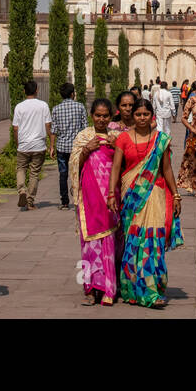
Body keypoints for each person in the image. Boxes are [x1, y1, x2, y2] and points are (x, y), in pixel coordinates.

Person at [107, 99, 183, 308]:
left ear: (152, 116)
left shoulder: (161, 139)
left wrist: (176, 195)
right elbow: (116, 168)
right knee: (133, 243)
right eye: (138, 114)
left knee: (152, 242)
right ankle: (133, 290)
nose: (141, 118)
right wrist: (111, 195)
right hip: (131, 196)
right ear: (133, 116)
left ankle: (150, 290)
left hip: (154, 194)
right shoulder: (123, 138)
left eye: (145, 114)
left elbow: (166, 169)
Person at [68, 98, 120, 305]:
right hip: (88, 199)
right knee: (88, 245)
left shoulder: (116, 137)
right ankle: (89, 289)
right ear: (92, 116)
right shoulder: (84, 136)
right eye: (97, 115)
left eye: (105, 116)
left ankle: (108, 289)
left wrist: (117, 148)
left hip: (110, 199)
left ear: (110, 116)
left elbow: (124, 166)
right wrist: (86, 150)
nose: (101, 119)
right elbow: (75, 166)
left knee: (109, 244)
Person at [11, 79, 53, 210]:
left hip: (23, 144)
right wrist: (51, 143)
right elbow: (48, 125)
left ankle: (21, 190)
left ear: (24, 91)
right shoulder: (43, 106)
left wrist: (18, 143)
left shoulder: (19, 107)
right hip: (39, 145)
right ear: (37, 90)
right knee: (34, 173)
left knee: (21, 169)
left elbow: (15, 128)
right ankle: (30, 201)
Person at [50, 82, 88, 210]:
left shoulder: (56, 109)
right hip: (77, 147)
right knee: (78, 173)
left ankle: (65, 202)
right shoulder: (80, 107)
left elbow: (54, 130)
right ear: (72, 94)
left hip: (61, 146)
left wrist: (51, 147)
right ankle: (78, 198)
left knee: (63, 174)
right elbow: (85, 127)